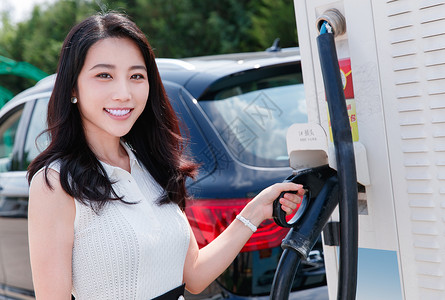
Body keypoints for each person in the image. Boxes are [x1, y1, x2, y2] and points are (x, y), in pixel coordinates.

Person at [27, 12, 305, 300]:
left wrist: (257, 209)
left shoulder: (152, 164)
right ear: (73, 87)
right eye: (104, 75)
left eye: (136, 76)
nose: (124, 93)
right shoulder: (55, 183)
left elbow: (194, 275)